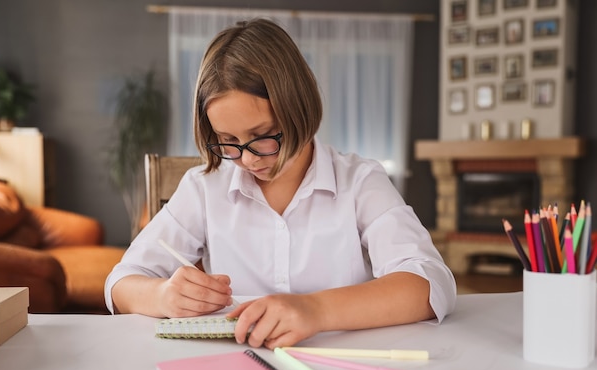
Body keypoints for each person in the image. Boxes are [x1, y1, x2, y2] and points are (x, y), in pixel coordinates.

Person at [105, 18, 456, 349]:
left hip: (343, 366)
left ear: (299, 108)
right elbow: (121, 282)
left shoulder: (360, 181)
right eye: (228, 140)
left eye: (262, 136)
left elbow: (429, 284)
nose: (248, 159)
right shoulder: (203, 188)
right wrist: (163, 295)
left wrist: (316, 310)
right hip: (235, 368)